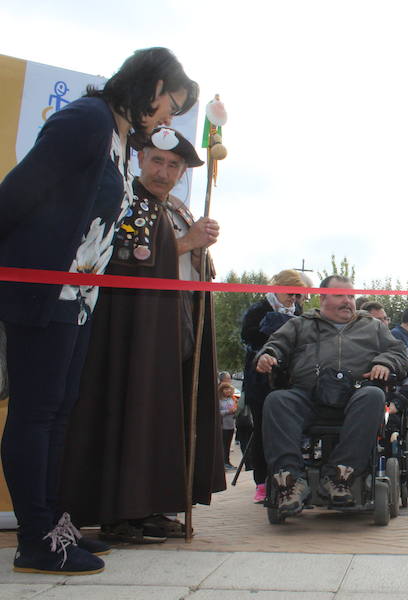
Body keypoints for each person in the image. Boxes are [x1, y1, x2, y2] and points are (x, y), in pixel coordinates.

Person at [0, 47, 197, 575]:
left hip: (79, 296)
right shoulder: (85, 121)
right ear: (150, 87)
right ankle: (36, 537)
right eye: (169, 106)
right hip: (45, 291)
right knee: (36, 414)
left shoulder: (114, 138)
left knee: (58, 414)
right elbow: (17, 195)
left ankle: (55, 524)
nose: (166, 121)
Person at [60, 126, 224, 545]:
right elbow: (128, 263)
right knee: (132, 414)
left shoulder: (181, 211)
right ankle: (122, 511)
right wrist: (187, 244)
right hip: (133, 335)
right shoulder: (125, 205)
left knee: (165, 419)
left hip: (177, 328)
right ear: (139, 160)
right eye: (157, 161)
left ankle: (154, 505)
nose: (164, 172)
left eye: (174, 166)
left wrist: (201, 253)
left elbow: (191, 266)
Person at [255, 275, 408, 514]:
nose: (348, 301)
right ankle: (290, 482)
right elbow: (275, 345)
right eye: (340, 296)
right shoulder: (300, 324)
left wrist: (385, 363)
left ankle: (339, 476)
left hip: (355, 397)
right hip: (308, 397)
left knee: (374, 396)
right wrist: (267, 355)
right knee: (277, 400)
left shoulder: (372, 326)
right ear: (322, 297)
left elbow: (398, 352)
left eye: (351, 296)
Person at [240, 269, 310, 503]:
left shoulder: (297, 312)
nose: (293, 298)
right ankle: (262, 482)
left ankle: (288, 477)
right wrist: (273, 342)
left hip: (287, 380)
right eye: (291, 293)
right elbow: (248, 338)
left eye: (297, 295)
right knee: (261, 431)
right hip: (260, 379)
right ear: (279, 287)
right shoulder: (259, 310)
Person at [219, 382, 237, 469]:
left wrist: (235, 410)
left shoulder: (231, 399)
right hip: (224, 425)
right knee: (224, 444)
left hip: (231, 425)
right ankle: (224, 462)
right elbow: (218, 412)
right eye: (225, 389)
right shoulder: (220, 400)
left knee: (228, 444)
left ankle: (227, 461)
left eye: (229, 389)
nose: (228, 391)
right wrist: (227, 411)